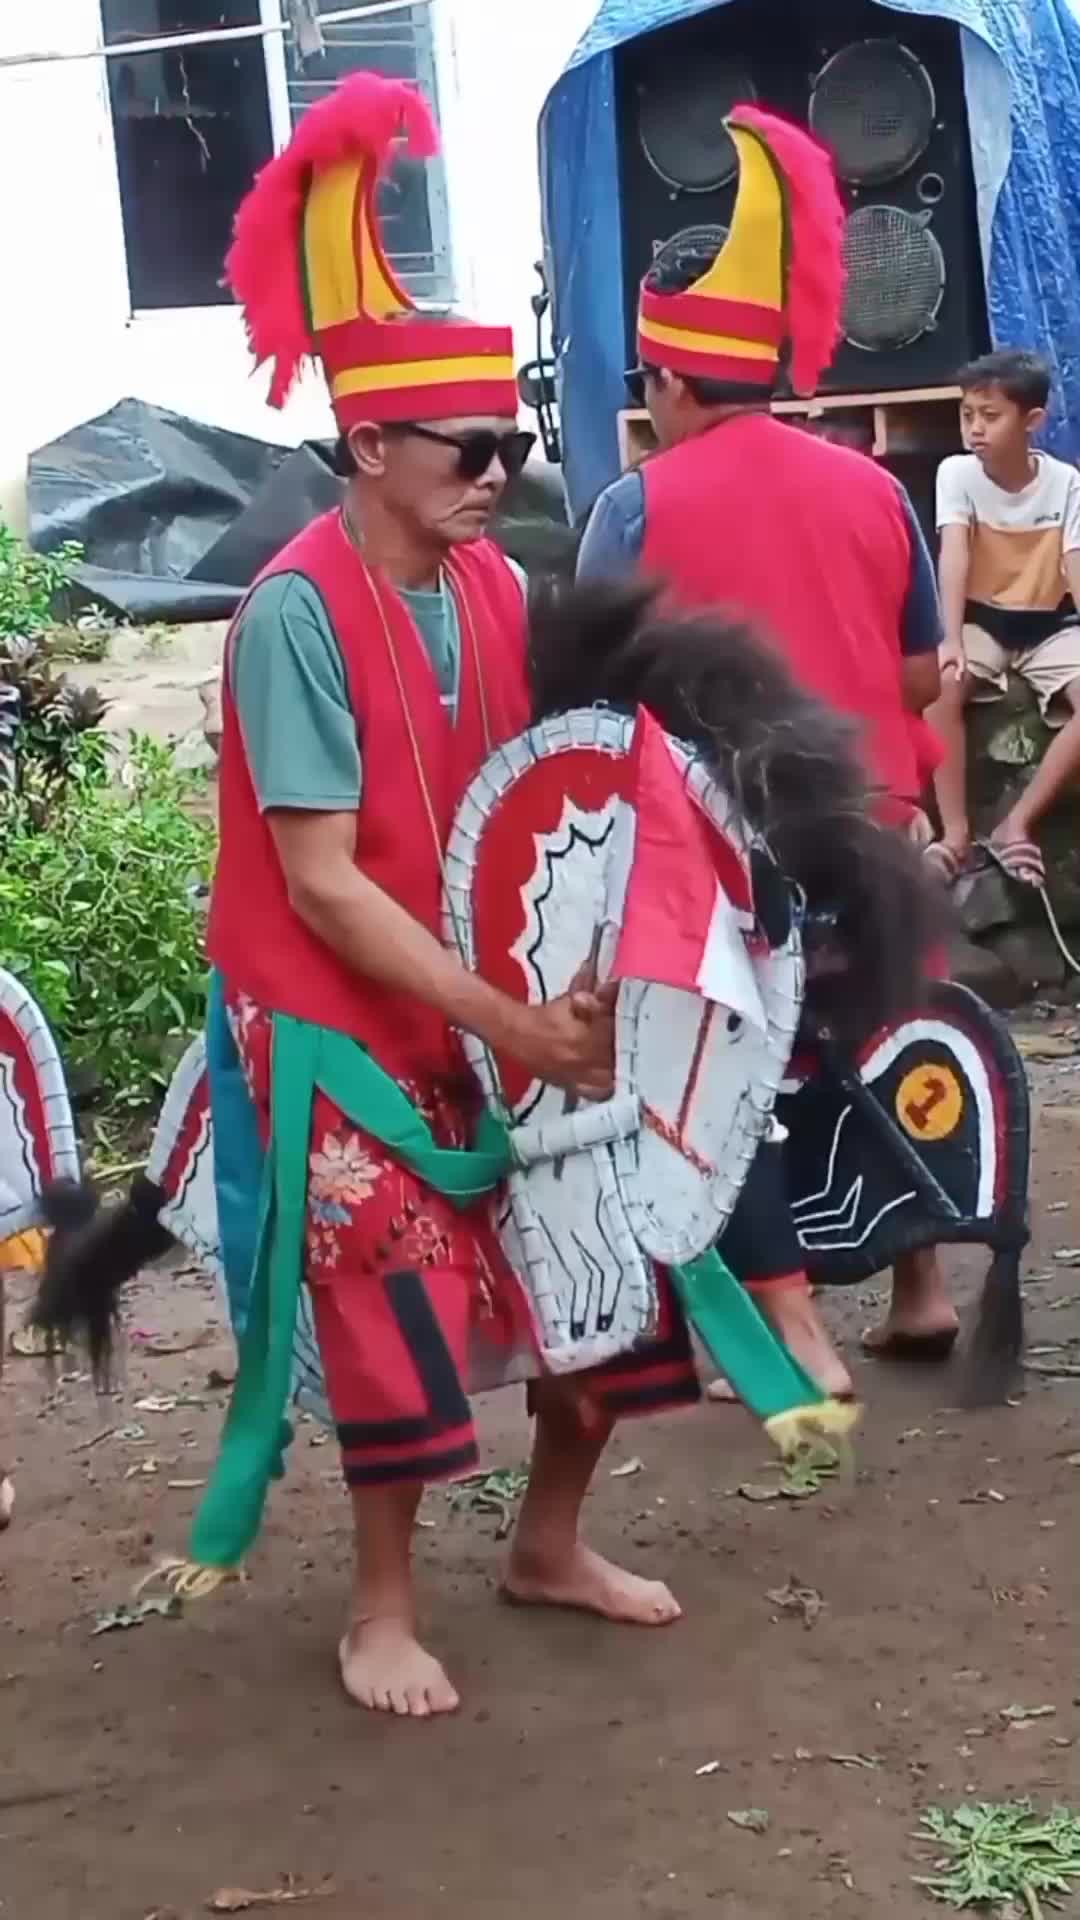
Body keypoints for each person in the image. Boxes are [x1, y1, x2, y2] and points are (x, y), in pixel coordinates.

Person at [164, 72, 723, 1723]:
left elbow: (547, 786)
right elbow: (323, 884)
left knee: (609, 1246)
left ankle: (547, 1543)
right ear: (368, 446)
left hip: (488, 988)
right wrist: (508, 1021)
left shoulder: (494, 581)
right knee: (389, 1278)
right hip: (334, 1009)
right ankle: (382, 1610)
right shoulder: (292, 616)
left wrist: (606, 963)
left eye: (514, 447)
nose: (500, 473)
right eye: (472, 451)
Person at [576, 104, 956, 1384]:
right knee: (888, 1039)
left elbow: (593, 710)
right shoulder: (879, 489)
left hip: (729, 860)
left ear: (673, 382)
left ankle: (790, 1321)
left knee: (737, 1077)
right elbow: (921, 674)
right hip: (878, 834)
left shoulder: (633, 508)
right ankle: (920, 1285)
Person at [924, 349, 1080, 887]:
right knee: (941, 686)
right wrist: (950, 639)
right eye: (967, 414)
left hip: (1048, 627)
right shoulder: (957, 474)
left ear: (1032, 420)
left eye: (990, 416)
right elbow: (954, 554)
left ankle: (1018, 823)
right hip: (984, 622)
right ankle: (955, 834)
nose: (975, 428)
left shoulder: (1066, 483)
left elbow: (1073, 564)